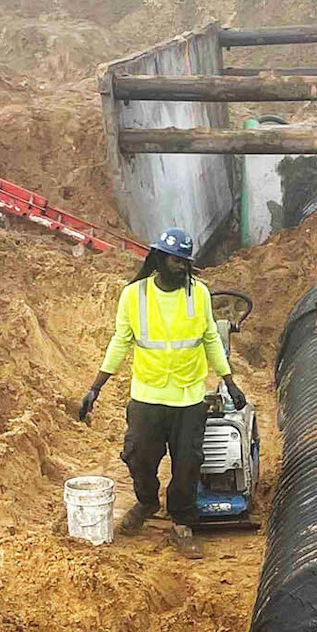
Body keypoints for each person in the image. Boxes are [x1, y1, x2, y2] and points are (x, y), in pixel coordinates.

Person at [79, 226, 246, 559]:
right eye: (174, 260)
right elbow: (120, 341)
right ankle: (147, 501)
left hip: (188, 397)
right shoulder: (134, 295)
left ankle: (182, 523)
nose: (181, 267)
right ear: (158, 258)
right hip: (147, 396)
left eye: (185, 261)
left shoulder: (198, 294)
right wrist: (95, 387)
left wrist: (229, 380)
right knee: (138, 456)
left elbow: (210, 338)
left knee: (187, 464)